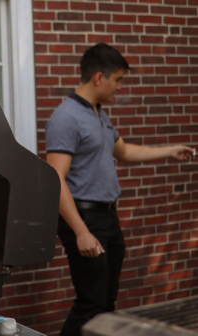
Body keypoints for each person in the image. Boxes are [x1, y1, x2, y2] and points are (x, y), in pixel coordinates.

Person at [45, 43, 194, 336]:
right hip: (86, 220)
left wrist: (169, 151)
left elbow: (124, 152)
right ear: (99, 78)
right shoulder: (66, 117)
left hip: (108, 219)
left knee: (106, 305)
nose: (120, 88)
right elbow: (55, 178)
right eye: (118, 80)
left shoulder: (98, 113)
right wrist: (81, 231)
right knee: (91, 305)